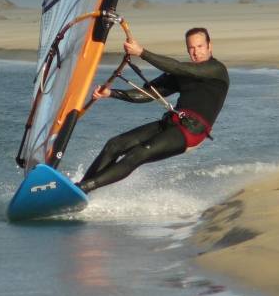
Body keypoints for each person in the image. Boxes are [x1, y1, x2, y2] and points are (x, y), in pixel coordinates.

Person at [77, 27, 229, 193]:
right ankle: (76, 190)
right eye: (191, 48)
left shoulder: (216, 70)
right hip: (172, 122)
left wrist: (141, 52)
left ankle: (84, 187)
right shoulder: (183, 75)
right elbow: (147, 94)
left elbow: (179, 68)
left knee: (138, 153)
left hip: (192, 131)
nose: (196, 52)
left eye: (200, 46)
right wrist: (111, 93)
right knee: (114, 144)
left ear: (209, 46)